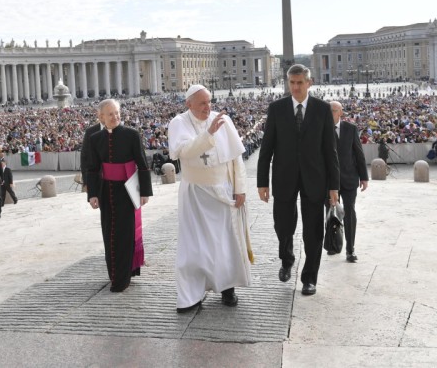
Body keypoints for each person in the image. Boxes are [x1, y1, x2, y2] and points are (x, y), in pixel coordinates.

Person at [256, 64, 340, 296]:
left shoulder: (323, 109)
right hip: (284, 177)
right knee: (282, 226)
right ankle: (287, 258)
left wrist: (334, 186)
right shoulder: (276, 108)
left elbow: (330, 150)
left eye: (299, 83)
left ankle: (309, 278)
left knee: (313, 231)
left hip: (315, 178)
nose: (295, 87)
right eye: (291, 83)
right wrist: (262, 182)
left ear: (309, 83)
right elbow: (267, 147)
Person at [168, 85, 252, 313]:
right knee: (194, 247)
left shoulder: (222, 120)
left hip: (223, 191)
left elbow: (236, 159)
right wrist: (208, 135)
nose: (208, 107)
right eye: (202, 103)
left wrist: (240, 188)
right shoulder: (179, 123)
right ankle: (191, 295)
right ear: (189, 104)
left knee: (225, 243)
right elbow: (183, 151)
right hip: (196, 194)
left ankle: (227, 289)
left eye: (209, 102)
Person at [86, 99, 153, 293]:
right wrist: (92, 194)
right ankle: (115, 274)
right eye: (110, 114)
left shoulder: (131, 135)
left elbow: (142, 164)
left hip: (127, 192)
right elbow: (92, 169)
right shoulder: (95, 138)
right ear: (101, 117)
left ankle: (122, 279)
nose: (115, 117)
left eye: (117, 113)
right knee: (109, 234)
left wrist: (145, 192)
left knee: (125, 234)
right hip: (106, 192)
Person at [330, 101, 369, 262]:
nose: (330, 113)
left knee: (349, 212)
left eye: (333, 111)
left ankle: (350, 249)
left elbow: (359, 153)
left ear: (340, 112)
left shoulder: (351, 129)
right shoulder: (321, 129)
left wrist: (364, 177)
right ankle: (332, 244)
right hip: (329, 181)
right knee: (330, 212)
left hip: (349, 178)